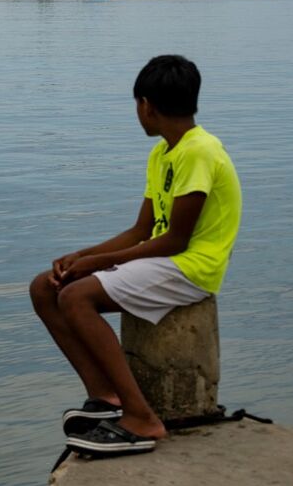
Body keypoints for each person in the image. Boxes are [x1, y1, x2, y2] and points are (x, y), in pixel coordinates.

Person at [29, 55, 242, 456]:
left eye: (136, 106)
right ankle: (105, 396)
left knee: (77, 297)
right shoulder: (163, 153)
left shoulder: (199, 151)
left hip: (193, 267)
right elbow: (142, 231)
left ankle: (141, 417)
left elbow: (176, 240)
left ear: (146, 104)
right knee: (45, 287)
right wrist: (81, 255)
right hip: (163, 259)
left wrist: (93, 267)